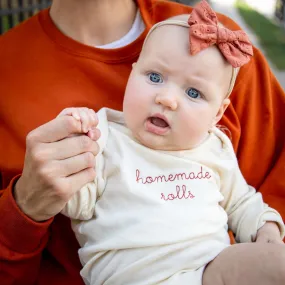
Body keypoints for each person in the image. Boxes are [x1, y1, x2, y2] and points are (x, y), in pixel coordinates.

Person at [0, 0, 284, 284]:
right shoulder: (105, 138)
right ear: (133, 72)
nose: (167, 99)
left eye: (194, 94)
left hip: (205, 273)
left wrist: (267, 229)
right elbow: (72, 198)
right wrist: (29, 199)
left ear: (218, 113)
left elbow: (243, 202)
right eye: (155, 77)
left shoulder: (214, 142)